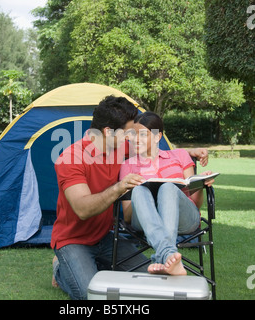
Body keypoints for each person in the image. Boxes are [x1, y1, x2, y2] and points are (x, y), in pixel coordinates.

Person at [51, 96, 210, 299]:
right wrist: (119, 188)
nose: (131, 138)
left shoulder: (117, 147)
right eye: (128, 133)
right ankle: (60, 268)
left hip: (105, 237)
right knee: (89, 294)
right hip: (73, 240)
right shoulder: (70, 158)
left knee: (151, 280)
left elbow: (152, 147)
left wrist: (189, 152)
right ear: (109, 132)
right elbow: (82, 209)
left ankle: (99, 264)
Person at [119, 111, 215, 276]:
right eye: (133, 134)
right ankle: (168, 256)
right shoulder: (128, 165)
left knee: (168, 187)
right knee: (140, 189)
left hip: (185, 219)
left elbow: (195, 203)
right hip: (145, 220)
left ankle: (164, 256)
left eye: (142, 134)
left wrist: (200, 184)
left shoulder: (179, 156)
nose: (135, 139)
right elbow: (128, 216)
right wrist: (137, 192)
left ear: (158, 137)